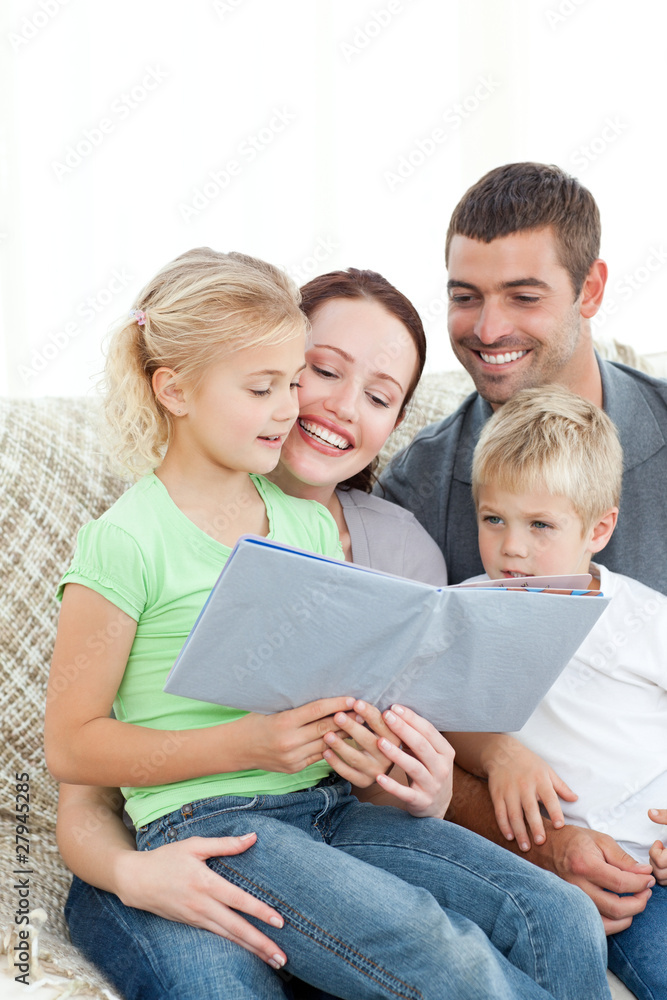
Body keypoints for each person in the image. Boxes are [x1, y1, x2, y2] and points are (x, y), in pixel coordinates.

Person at [45, 250, 611, 1000]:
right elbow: (70, 745)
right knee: (435, 948)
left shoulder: (305, 527)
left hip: (329, 808)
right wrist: (246, 743)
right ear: (174, 389)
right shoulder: (125, 540)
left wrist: (377, 744)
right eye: (269, 385)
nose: (290, 408)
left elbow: (334, 695)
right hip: (214, 821)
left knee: (559, 914)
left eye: (289, 384)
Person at [58, 267, 450, 999]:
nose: (314, 403)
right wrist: (131, 873)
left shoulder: (381, 548)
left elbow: (351, 774)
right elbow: (77, 778)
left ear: (395, 424)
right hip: (166, 843)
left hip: (311, 828)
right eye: (316, 372)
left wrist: (419, 788)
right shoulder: (136, 537)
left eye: (378, 395)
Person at [377, 161, 666, 932]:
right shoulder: (420, 484)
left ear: (591, 291)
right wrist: (541, 841)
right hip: (552, 865)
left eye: (523, 297)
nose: (488, 328)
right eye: (464, 297)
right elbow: (394, 712)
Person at [446, 384, 666, 1000]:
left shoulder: (645, 621)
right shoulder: (463, 609)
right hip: (566, 875)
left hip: (654, 860)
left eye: (540, 524)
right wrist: (496, 753)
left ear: (598, 528)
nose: (511, 546)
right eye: (494, 519)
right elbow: (432, 712)